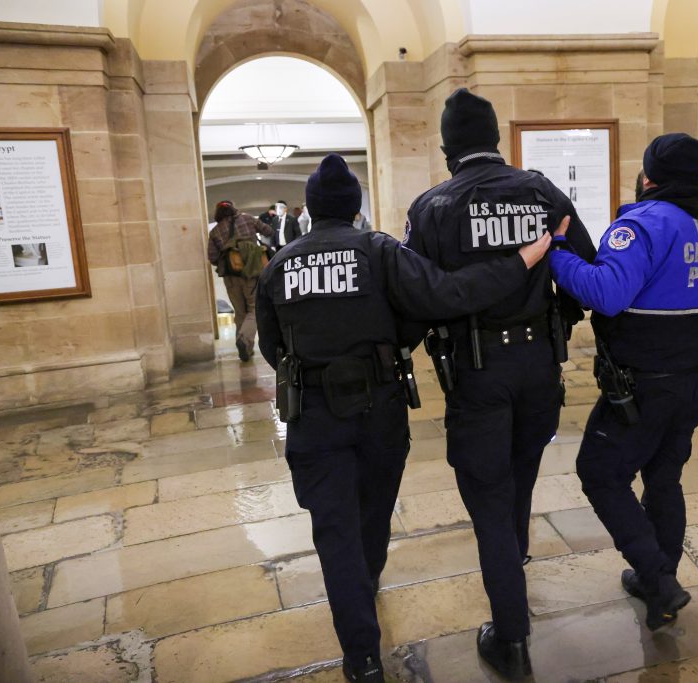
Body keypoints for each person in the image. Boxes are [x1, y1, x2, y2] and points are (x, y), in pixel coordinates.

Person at [256, 153, 552, 683]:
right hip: (379, 409)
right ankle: (363, 588)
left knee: (335, 530)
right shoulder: (378, 251)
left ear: (311, 209)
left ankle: (362, 657)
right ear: (354, 208)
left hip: (315, 416)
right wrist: (521, 261)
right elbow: (443, 296)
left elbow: (271, 346)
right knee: (371, 519)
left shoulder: (281, 263)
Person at [402, 88, 595, 679]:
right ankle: (515, 566)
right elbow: (583, 262)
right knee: (520, 480)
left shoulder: (432, 206)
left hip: (477, 373)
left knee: (488, 496)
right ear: (497, 141)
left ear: (446, 149)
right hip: (540, 368)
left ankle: (510, 635)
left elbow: (418, 295)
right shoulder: (539, 191)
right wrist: (554, 314)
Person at [548, 133, 698, 631]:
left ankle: (658, 578)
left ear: (648, 177)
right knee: (664, 476)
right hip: (697, 379)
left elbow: (606, 294)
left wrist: (558, 252)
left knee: (600, 472)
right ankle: (658, 588)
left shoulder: (643, 223)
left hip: (650, 383)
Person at [207, 200, 273, 361]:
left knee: (240, 312)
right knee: (254, 309)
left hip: (230, 276)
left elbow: (212, 257)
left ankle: (245, 350)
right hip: (251, 272)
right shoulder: (248, 219)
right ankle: (244, 340)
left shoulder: (215, 231)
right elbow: (268, 231)